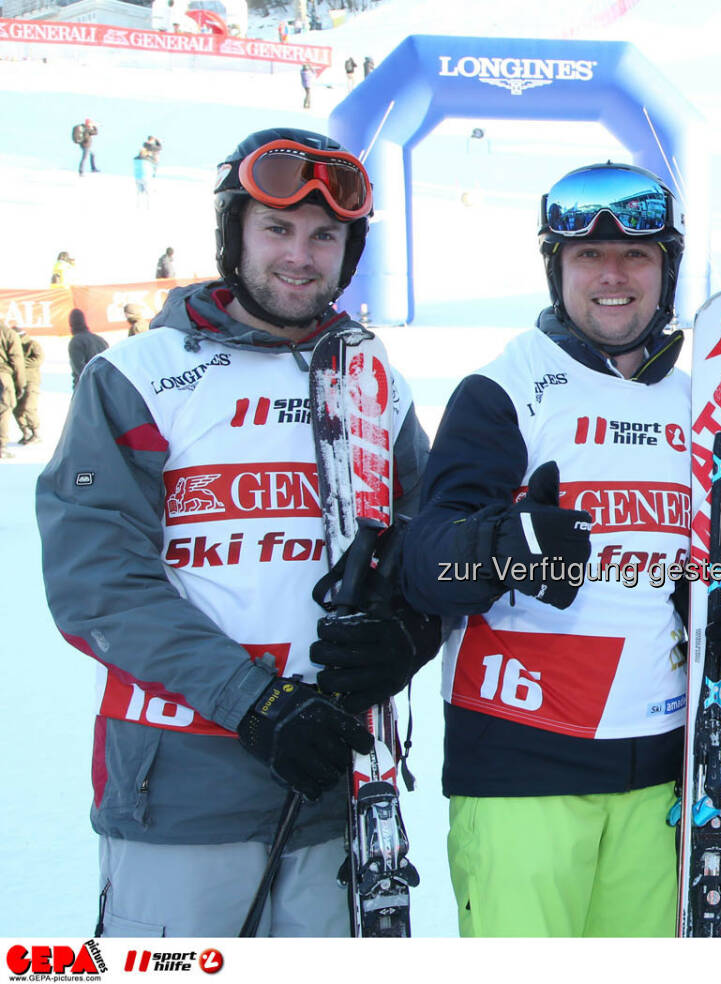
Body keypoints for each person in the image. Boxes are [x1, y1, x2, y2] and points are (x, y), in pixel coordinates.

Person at [36, 127, 440, 937]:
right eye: (278, 229)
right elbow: (98, 585)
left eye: (326, 236)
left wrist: (409, 630)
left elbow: (424, 545)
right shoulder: (141, 377)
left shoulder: (369, 378)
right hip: (181, 785)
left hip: (336, 782)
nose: (302, 255)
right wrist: (255, 704)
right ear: (233, 234)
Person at [401, 162, 721, 937]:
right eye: (587, 258)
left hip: (661, 771)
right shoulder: (505, 390)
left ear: (665, 271)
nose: (612, 275)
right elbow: (426, 562)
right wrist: (500, 547)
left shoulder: (702, 403)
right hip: (523, 768)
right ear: (555, 270)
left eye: (636, 256)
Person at [13, 324, 43, 445]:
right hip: (18, 381)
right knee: (17, 409)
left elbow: (38, 359)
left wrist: (19, 363)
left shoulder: (32, 344)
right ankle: (25, 431)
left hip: (31, 380)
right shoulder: (13, 345)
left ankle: (35, 432)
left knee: (29, 407)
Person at [66, 308, 107, 389]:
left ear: (71, 324)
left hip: (86, 389)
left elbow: (80, 370)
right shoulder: (100, 340)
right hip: (104, 386)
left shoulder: (76, 342)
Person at [0, 318, 23, 457]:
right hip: (3, 376)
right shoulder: (9, 334)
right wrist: (20, 385)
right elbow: (17, 361)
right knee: (4, 409)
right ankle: (1, 446)